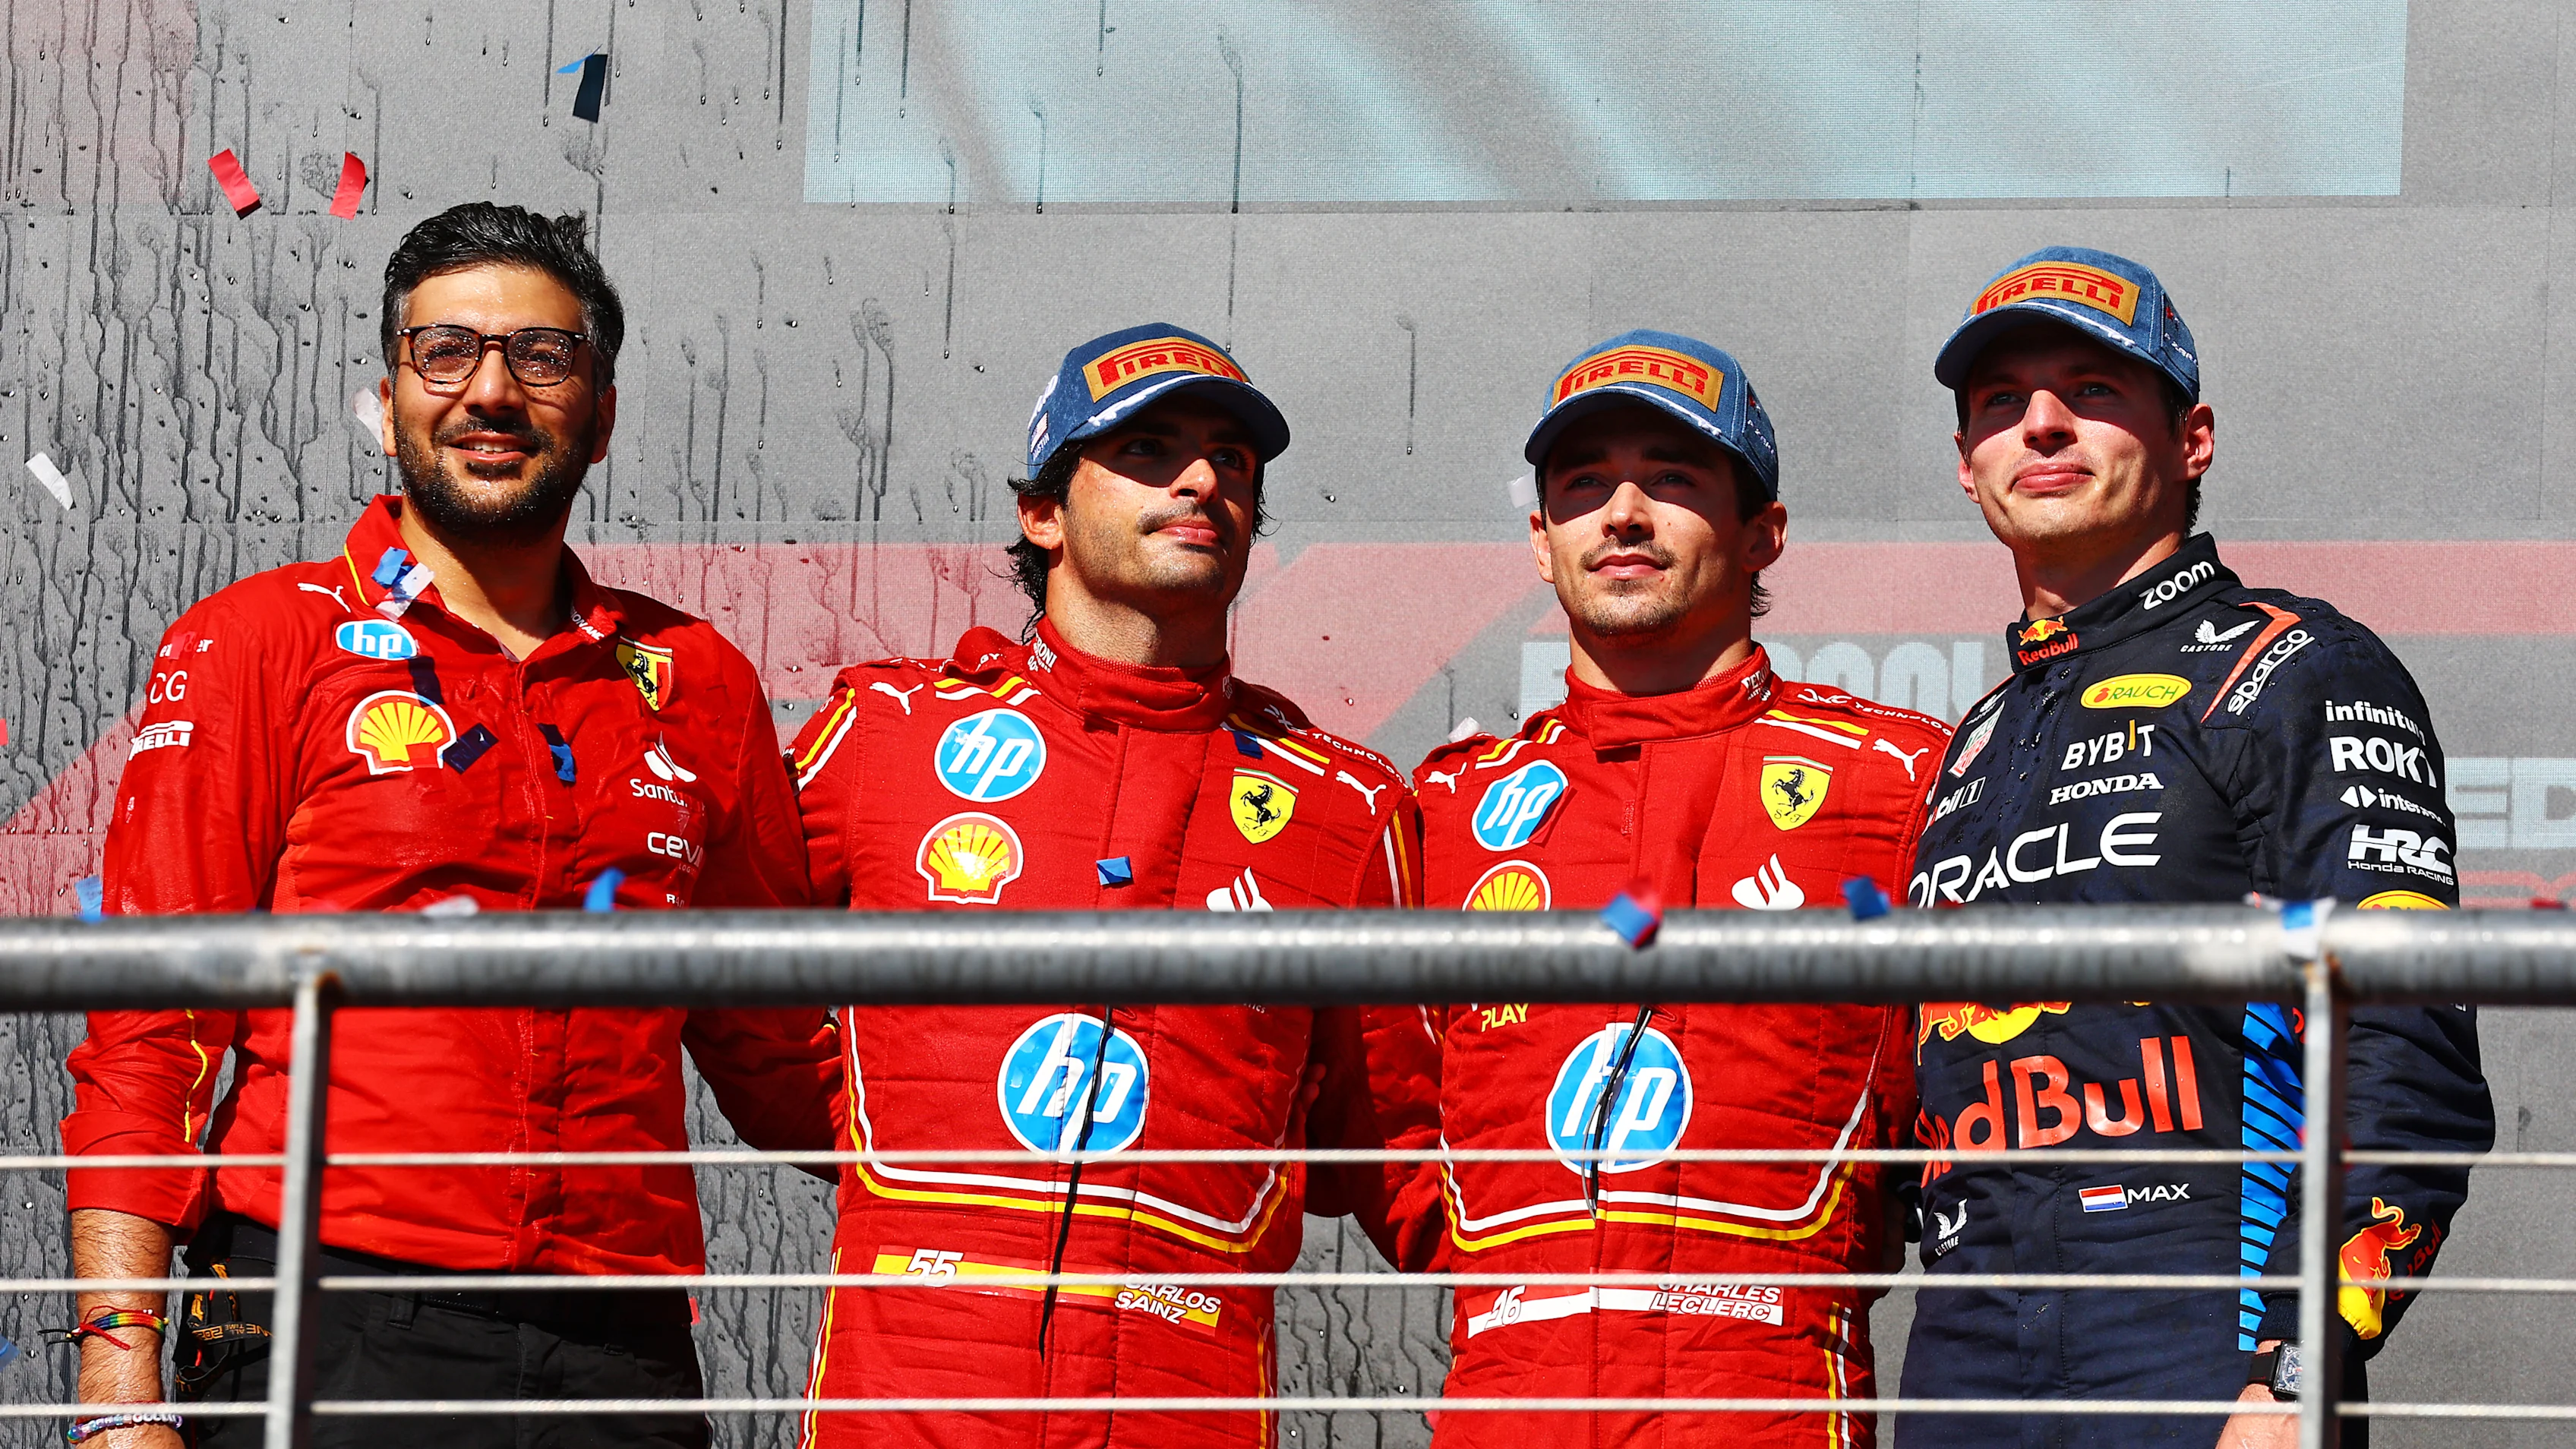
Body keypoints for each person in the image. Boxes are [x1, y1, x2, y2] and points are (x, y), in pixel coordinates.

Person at [61, 203, 836, 1449]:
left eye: (540, 355)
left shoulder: (699, 679)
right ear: (390, 395)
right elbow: (149, 1029)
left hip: (622, 1344)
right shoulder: (260, 641)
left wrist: (1079, 1123)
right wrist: (115, 1390)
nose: (489, 392)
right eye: (444, 354)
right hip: (329, 1315)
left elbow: (780, 1055)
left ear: (604, 411)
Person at [786, 323, 1444, 1448]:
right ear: (1041, 512)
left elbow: (1400, 1149)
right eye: (1148, 449)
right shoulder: (889, 733)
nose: (1202, 478)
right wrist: (889, 1137)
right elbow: (723, 993)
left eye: (1232, 461)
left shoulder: (1346, 805)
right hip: (909, 1398)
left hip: (1187, 1400)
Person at [1900, 247, 2494, 1447]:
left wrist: (2298, 1361)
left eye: (2094, 391)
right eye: (2003, 406)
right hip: (1965, 1335)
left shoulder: (2291, 666)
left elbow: (2405, 1029)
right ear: (1970, 469)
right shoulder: (1973, 739)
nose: (2044, 427)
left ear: (2194, 439)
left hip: (2196, 1322)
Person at [1413, 330, 1950, 1447]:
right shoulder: (1452, 808)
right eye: (1584, 485)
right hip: (1509, 1395)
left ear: (1765, 534)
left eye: (1672, 477)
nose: (1622, 513)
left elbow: (1959, 1089)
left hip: (1770, 1394)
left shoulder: (1902, 775)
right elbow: (1392, 1116)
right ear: (1540, 540)